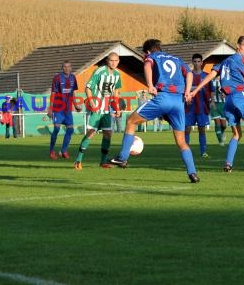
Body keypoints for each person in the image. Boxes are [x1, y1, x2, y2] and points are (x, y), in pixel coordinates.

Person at [109, 39, 200, 183]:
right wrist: (188, 92)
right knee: (182, 141)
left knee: (131, 121)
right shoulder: (176, 59)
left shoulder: (153, 57)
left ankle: (122, 158)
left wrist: (150, 85)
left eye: (145, 54)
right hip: (178, 101)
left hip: (163, 97)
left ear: (148, 51)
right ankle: (192, 173)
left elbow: (147, 65)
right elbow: (189, 74)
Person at [190, 36, 244, 172]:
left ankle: (228, 164)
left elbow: (210, 76)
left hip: (228, 101)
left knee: (236, 134)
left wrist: (196, 90)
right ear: (238, 46)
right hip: (239, 96)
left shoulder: (225, 62)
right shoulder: (239, 59)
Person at [73, 52, 122, 170]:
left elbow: (115, 93)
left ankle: (103, 161)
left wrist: (117, 108)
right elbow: (88, 87)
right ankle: (78, 160)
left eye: (116, 61)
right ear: (107, 61)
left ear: (118, 61)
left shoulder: (117, 75)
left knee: (108, 133)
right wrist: (91, 102)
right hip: (96, 106)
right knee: (91, 132)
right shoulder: (100, 71)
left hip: (106, 109)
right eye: (111, 60)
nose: (114, 63)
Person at [48, 61, 82, 159]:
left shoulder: (73, 77)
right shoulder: (57, 78)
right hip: (58, 108)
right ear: (62, 68)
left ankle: (63, 151)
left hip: (68, 109)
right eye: (65, 67)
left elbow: (73, 93)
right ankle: (51, 151)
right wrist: (50, 108)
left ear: (71, 68)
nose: (67, 68)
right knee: (56, 129)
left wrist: (76, 105)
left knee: (70, 129)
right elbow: (53, 93)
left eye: (69, 66)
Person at [185, 54, 212, 158]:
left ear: (201, 62)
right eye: (195, 61)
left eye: (198, 61)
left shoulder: (206, 76)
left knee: (202, 129)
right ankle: (186, 152)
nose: (196, 63)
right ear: (192, 62)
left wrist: (212, 101)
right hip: (189, 107)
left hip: (202, 106)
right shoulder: (188, 76)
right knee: (187, 129)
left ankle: (203, 152)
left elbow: (212, 90)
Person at [210, 76, 227, 145]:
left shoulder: (224, 81)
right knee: (217, 123)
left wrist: (225, 95)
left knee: (224, 125)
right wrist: (212, 102)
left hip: (223, 104)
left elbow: (227, 91)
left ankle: (222, 133)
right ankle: (220, 141)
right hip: (214, 104)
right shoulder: (210, 81)